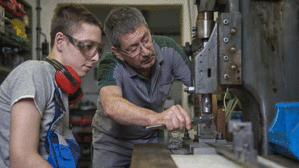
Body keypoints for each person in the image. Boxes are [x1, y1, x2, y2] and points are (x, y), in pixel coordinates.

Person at [0, 3, 104, 168]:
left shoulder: (60, 88)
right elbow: (22, 161)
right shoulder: (33, 73)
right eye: (88, 46)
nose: (96, 57)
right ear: (60, 41)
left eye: (99, 49)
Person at [92, 6, 192, 168]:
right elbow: (111, 106)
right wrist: (160, 118)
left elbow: (200, 85)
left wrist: (213, 123)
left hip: (150, 138)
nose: (145, 52)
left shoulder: (169, 49)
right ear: (118, 52)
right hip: (113, 143)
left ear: (148, 28)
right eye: (133, 48)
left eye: (145, 40)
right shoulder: (110, 63)